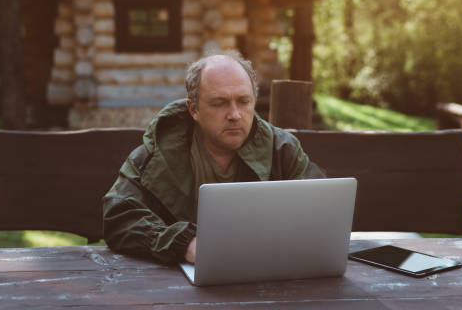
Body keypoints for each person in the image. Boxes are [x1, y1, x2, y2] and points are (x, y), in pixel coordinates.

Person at [102, 53, 325, 264]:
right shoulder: (155, 155)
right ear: (194, 109)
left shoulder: (282, 149)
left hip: (268, 279)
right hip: (176, 289)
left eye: (244, 101)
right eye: (220, 103)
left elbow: (321, 210)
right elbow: (119, 216)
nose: (235, 115)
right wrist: (184, 244)